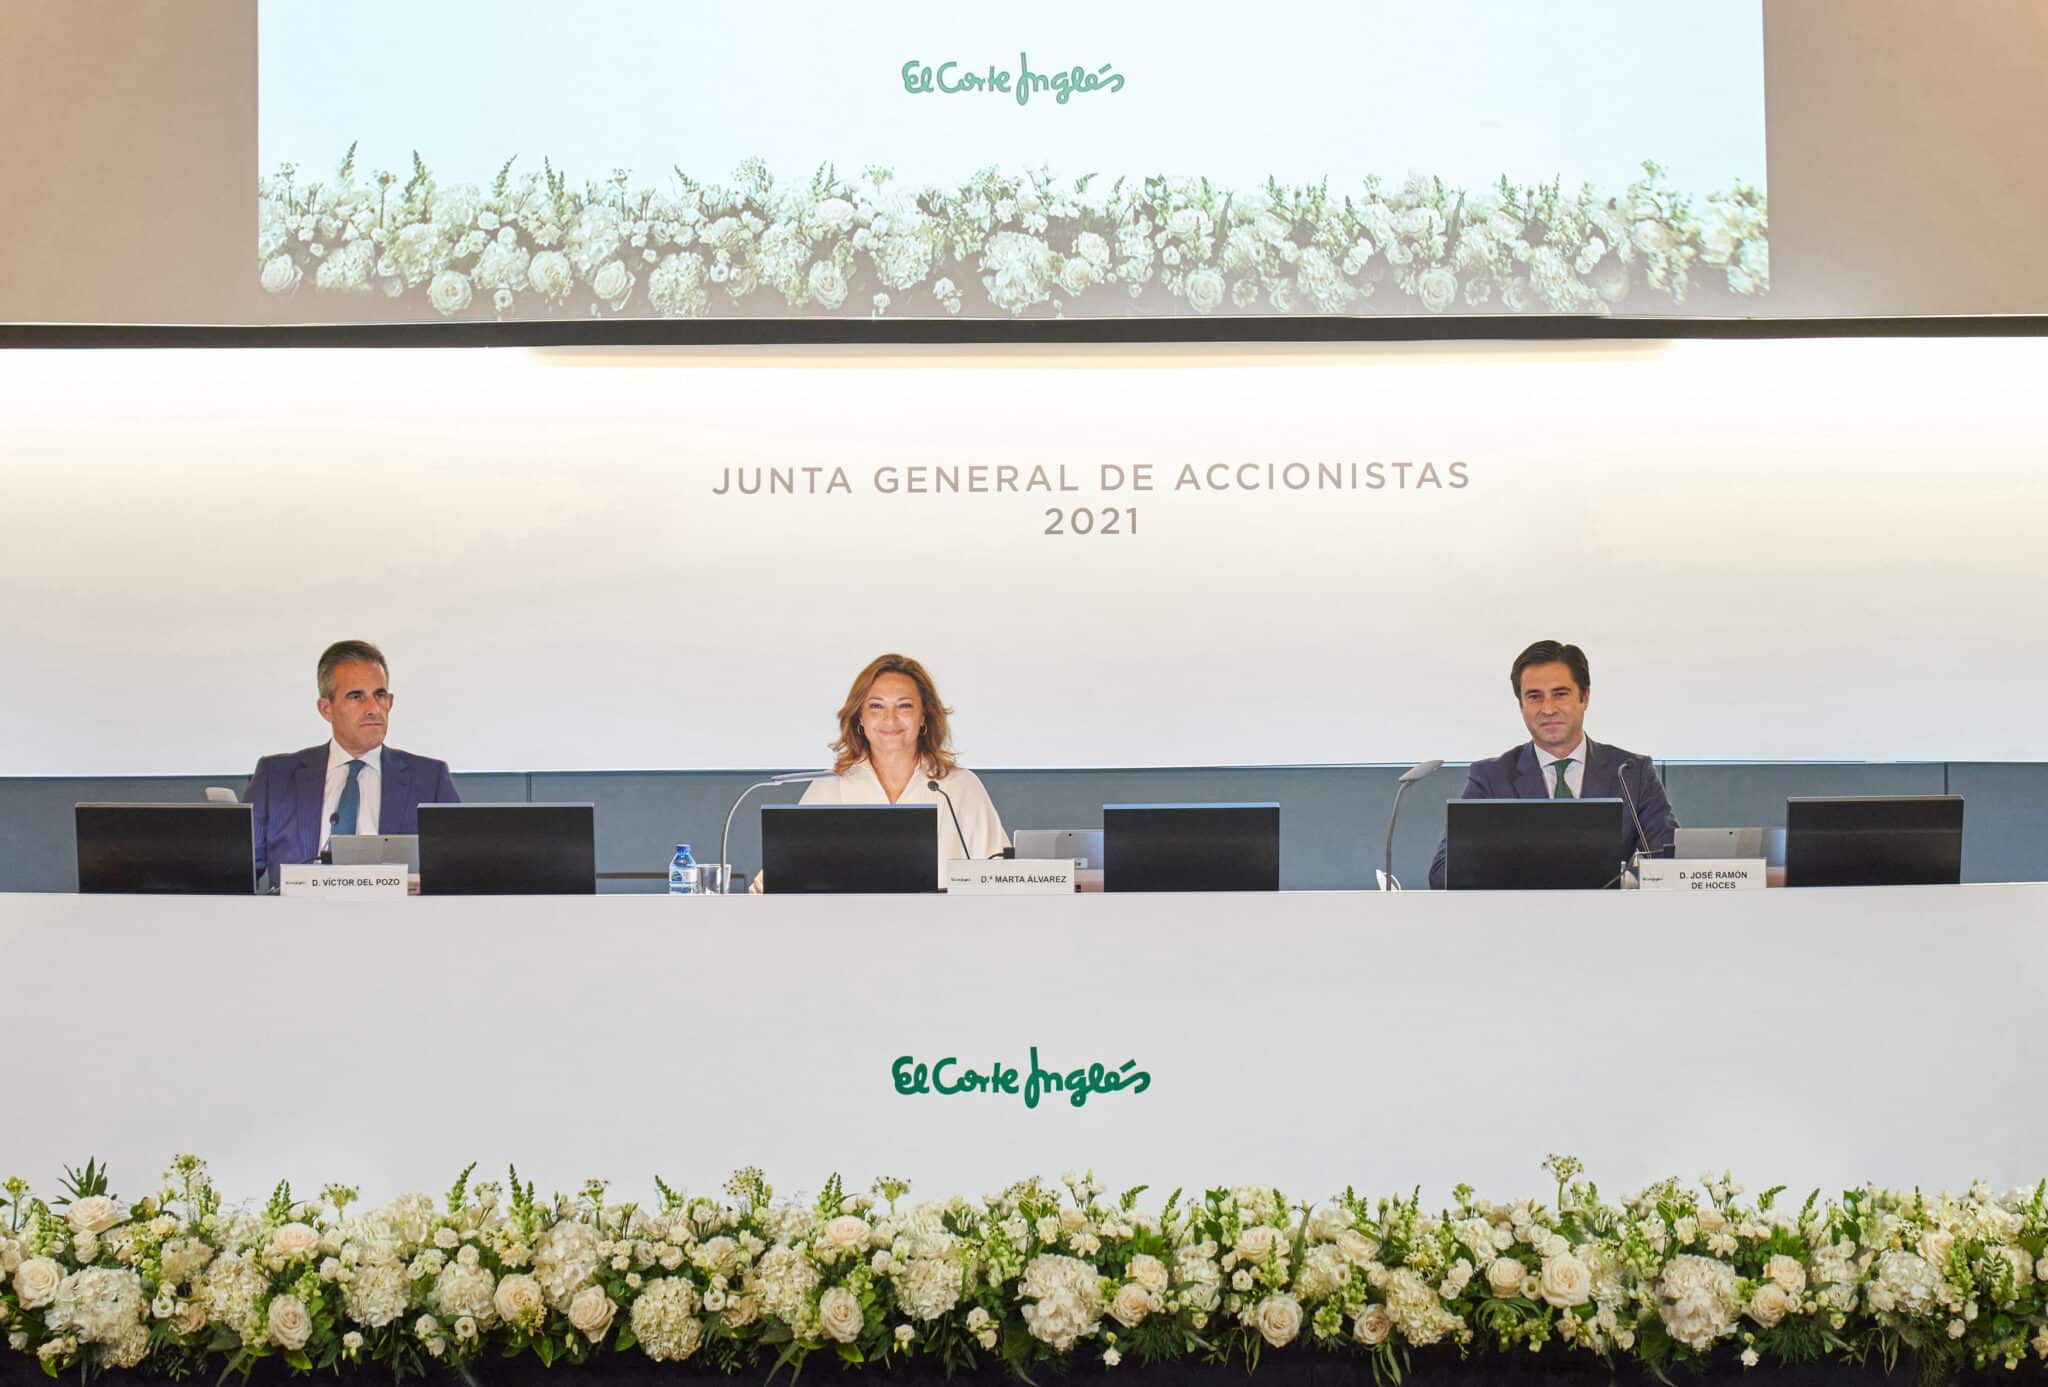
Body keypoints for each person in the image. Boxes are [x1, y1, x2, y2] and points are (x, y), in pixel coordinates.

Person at [1428, 640, 1677, 889]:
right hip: (1520, 922)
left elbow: (1668, 859)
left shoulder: (1633, 772)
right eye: (1535, 697)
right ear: (1521, 705)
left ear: (1585, 697)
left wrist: (1616, 882)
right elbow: (1442, 873)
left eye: (1560, 694)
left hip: (1611, 922)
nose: (1548, 709)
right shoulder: (1491, 778)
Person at [774, 653, 1009, 887]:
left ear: (923, 717)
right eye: (876, 706)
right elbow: (789, 877)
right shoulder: (829, 787)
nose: (890, 719)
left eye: (904, 706)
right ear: (860, 717)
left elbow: (1002, 878)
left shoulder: (961, 786)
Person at [244, 640, 459, 888]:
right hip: (298, 921)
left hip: (396, 921)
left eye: (380, 695)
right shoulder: (276, 778)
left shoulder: (430, 780)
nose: (373, 708)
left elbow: (457, 874)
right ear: (326, 709)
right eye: (356, 697)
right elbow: (237, 875)